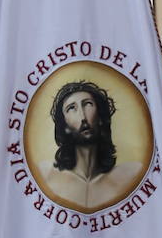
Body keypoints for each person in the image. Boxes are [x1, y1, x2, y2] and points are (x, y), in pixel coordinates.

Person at [37, 81, 143, 213]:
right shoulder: (45, 175)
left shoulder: (133, 175)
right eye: (71, 108)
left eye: (87, 104)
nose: (83, 117)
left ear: (100, 118)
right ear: (65, 127)